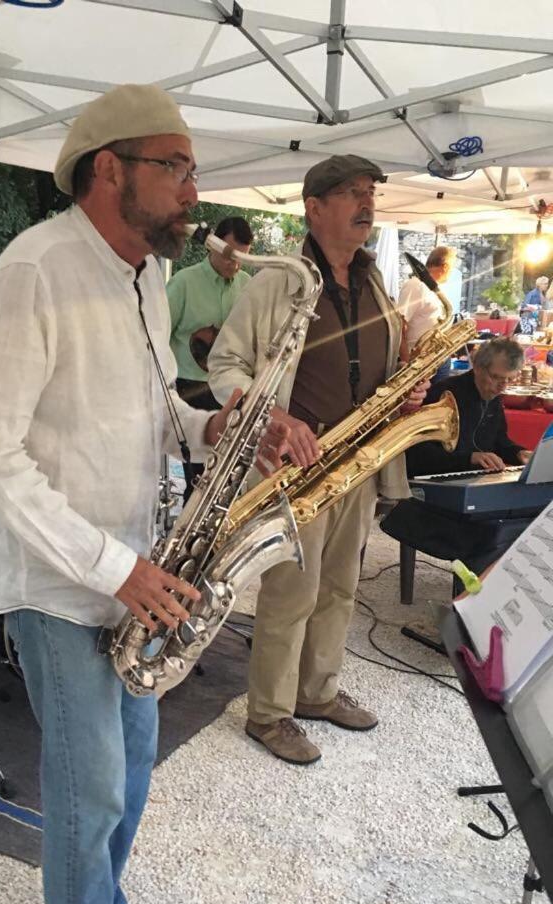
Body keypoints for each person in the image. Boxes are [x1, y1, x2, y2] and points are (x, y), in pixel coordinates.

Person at [0, 84, 286, 904]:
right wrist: (117, 568)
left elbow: (150, 413)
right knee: (90, 778)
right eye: (174, 168)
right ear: (111, 170)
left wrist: (217, 426)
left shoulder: (142, 273)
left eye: (192, 171)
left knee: (133, 768)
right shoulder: (33, 271)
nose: (193, 190)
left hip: (140, 569)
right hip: (64, 583)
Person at [208, 153, 428, 767]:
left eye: (371, 195)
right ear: (314, 207)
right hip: (298, 466)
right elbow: (224, 365)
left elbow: (379, 364)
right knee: (292, 592)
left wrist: (404, 386)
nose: (367, 205)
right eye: (354, 194)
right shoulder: (276, 280)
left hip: (358, 458)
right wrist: (275, 418)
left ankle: (318, 692)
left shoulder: (375, 280)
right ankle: (270, 714)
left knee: (341, 587)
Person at [166, 216, 252, 501]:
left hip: (233, 391)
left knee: (230, 478)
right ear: (212, 245)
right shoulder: (183, 282)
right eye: (229, 256)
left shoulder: (248, 285)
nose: (234, 264)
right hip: (192, 388)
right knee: (200, 479)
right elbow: (156, 336)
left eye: (242, 257)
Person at [407, 337, 531, 476]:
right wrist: (470, 458)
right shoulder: (444, 394)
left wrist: (518, 453)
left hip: (472, 478)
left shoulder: (493, 394)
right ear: (477, 367)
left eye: (510, 379)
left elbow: (498, 440)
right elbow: (418, 455)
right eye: (496, 377)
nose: (503, 386)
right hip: (438, 480)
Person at [398, 245, 457, 383]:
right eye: (452, 268)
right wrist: (407, 365)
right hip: (419, 362)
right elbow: (399, 324)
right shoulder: (416, 285)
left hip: (436, 358)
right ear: (446, 266)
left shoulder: (435, 290)